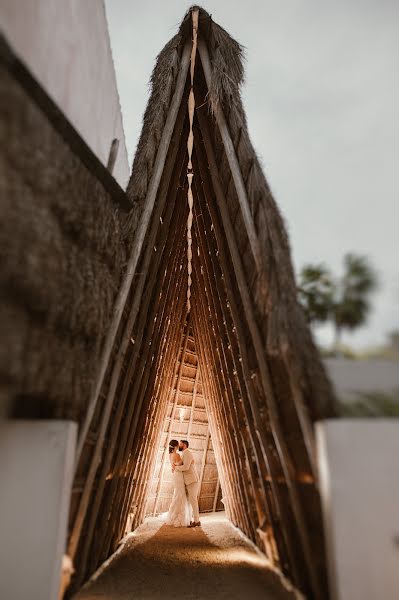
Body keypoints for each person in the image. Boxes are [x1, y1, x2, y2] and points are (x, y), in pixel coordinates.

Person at [172, 440, 201, 528]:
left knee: (193, 501)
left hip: (192, 480)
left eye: (180, 444)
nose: (179, 445)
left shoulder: (187, 453)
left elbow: (186, 467)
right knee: (189, 501)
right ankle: (192, 519)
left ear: (184, 445)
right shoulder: (184, 453)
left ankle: (197, 521)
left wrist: (175, 467)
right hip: (188, 481)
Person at [165, 439, 191, 527]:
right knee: (180, 494)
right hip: (179, 475)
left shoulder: (170, 455)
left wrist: (174, 466)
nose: (179, 446)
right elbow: (183, 464)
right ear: (176, 446)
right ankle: (179, 517)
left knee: (177, 494)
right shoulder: (177, 455)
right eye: (178, 445)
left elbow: (174, 465)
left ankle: (173, 515)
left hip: (175, 475)